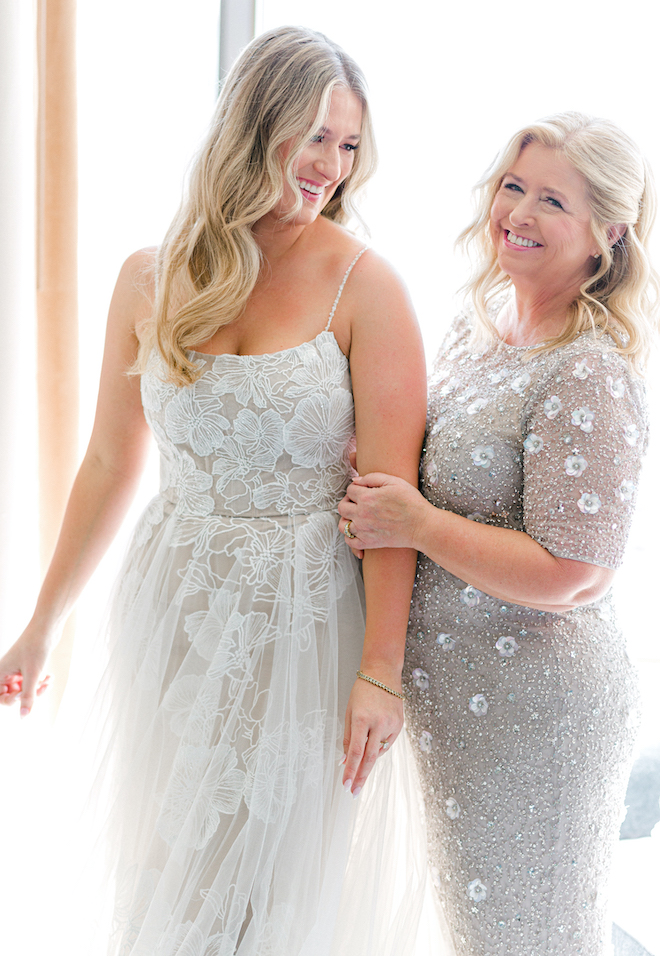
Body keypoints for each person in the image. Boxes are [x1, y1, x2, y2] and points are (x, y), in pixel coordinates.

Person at [0, 26, 427, 956]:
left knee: (269, 876)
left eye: (349, 146)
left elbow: (393, 500)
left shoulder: (367, 285)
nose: (331, 166)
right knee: (169, 860)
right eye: (316, 135)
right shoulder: (148, 277)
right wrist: (43, 620)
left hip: (303, 621)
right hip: (176, 600)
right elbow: (111, 464)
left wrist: (380, 673)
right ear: (253, 122)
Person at [338, 112, 658, 955]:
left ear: (606, 235)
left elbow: (574, 571)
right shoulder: (474, 334)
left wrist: (414, 520)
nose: (519, 211)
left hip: (536, 714)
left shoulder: (589, 368)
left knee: (527, 938)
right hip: (459, 704)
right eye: (513, 187)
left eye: (553, 199)